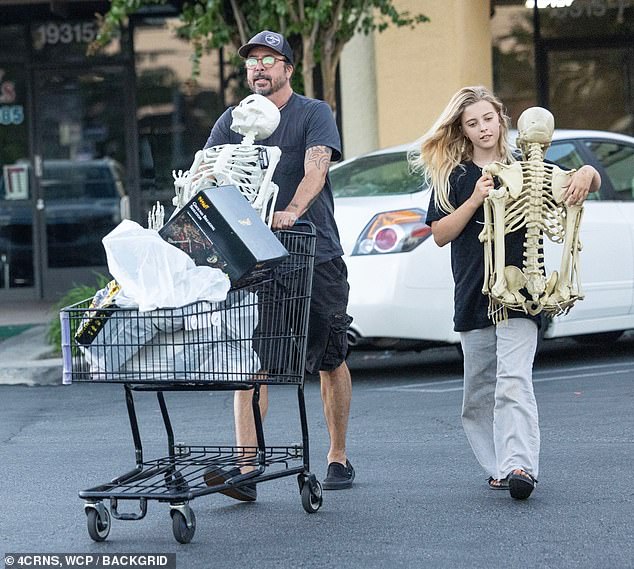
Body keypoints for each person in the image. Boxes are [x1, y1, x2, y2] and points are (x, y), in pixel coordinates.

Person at [412, 86, 600, 499]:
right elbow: (440, 234)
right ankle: (497, 464)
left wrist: (587, 173)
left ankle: (519, 466)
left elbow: (579, 180)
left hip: (523, 291)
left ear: (502, 118)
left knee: (514, 380)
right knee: (479, 390)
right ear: (462, 130)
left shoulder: (529, 168)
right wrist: (476, 198)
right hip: (474, 292)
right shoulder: (457, 176)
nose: (482, 129)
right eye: (472, 123)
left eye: (487, 119)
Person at [202, 30, 354, 500]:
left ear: (288, 69)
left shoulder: (313, 114)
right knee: (255, 362)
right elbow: (209, 169)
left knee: (330, 357)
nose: (260, 68)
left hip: (315, 252)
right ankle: (246, 469)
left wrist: (290, 210)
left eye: (270, 60)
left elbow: (316, 169)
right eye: (253, 62)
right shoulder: (233, 120)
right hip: (257, 261)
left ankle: (337, 455)